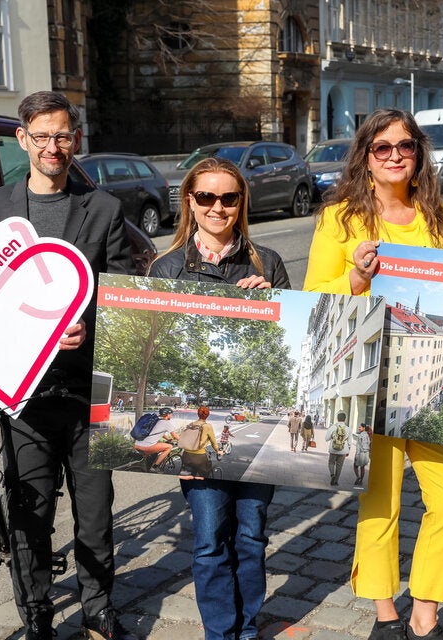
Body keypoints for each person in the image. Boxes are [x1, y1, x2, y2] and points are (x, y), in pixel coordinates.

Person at [0, 91, 138, 640]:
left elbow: (125, 297)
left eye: (62, 136)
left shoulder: (103, 208)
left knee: (95, 508)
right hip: (20, 393)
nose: (52, 147)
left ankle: (97, 606)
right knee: (28, 508)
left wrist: (92, 328)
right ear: (23, 139)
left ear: (75, 140)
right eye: (42, 136)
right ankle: (35, 610)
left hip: (86, 388)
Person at [303, 108, 443, 640]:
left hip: (427, 380)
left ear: (418, 154)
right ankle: (386, 614)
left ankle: (425, 609)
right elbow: (311, 298)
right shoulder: (339, 219)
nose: (395, 155)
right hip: (370, 378)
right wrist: (354, 276)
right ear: (366, 158)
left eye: (405, 146)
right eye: (383, 147)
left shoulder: (436, 216)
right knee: (382, 500)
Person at [146, 156, 290, 640]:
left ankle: (247, 630)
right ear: (190, 201)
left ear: (241, 203)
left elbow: (293, 353)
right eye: (206, 197)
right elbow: (158, 358)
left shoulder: (265, 262)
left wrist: (272, 303)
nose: (217, 207)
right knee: (209, 539)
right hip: (196, 431)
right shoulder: (166, 269)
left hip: (252, 428)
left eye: (229, 198)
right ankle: (218, 633)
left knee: (251, 536)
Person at [178, 405, 219, 480]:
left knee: (188, 476)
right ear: (207, 415)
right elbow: (213, 442)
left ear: (198, 414)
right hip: (199, 458)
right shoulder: (207, 426)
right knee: (204, 476)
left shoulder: (191, 424)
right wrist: (218, 451)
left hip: (186, 455)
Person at [324, 411, 353, 486]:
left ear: (337, 419)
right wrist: (348, 450)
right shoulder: (348, 429)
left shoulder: (333, 427)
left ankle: (332, 475)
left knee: (331, 463)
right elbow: (350, 442)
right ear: (345, 419)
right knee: (339, 466)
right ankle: (336, 481)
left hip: (333, 448)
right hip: (343, 449)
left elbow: (326, 438)